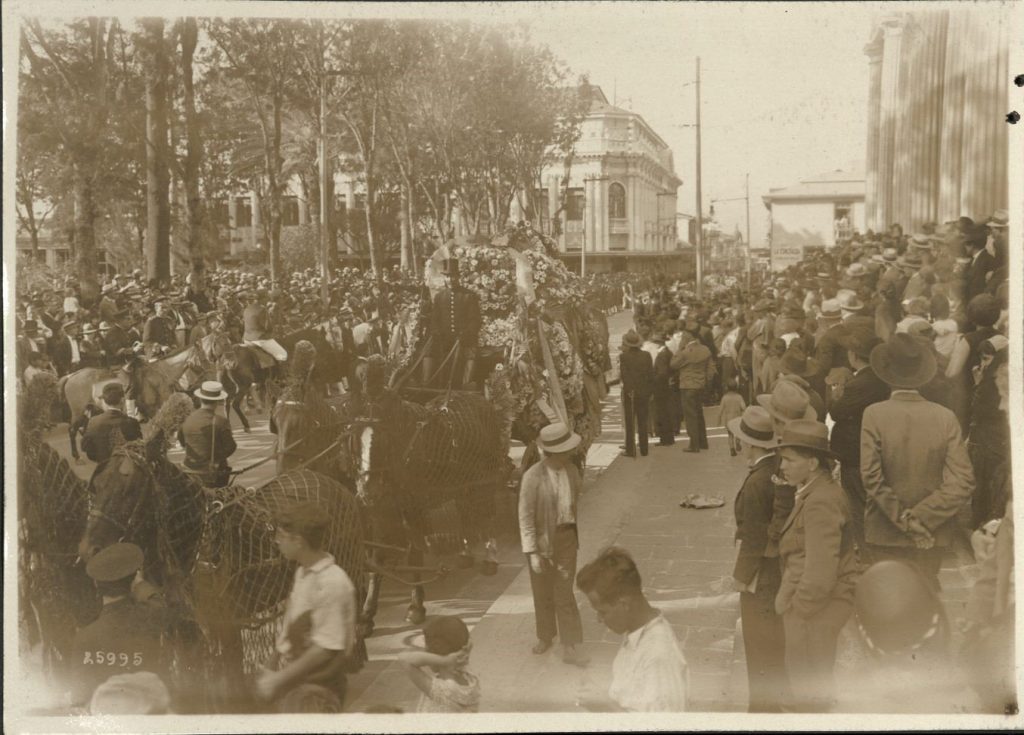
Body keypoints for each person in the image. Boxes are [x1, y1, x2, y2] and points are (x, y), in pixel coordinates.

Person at [861, 334, 975, 583]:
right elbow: (962, 482)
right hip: (932, 533)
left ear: (886, 371)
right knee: (925, 600)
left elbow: (872, 478)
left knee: (888, 604)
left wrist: (905, 520)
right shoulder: (945, 417)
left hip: (885, 531)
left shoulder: (873, 415)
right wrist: (921, 517)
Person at [774, 419, 859, 712]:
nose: (782, 466)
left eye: (788, 460)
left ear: (811, 463)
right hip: (814, 608)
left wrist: (798, 610)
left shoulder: (820, 500)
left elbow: (821, 571)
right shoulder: (816, 491)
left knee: (808, 699)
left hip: (815, 611)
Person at [256, 501, 359, 710]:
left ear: (298, 541)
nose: (277, 542)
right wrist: (273, 662)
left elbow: (325, 648)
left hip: (319, 690)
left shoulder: (332, 583)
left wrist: (278, 679)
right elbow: (290, 623)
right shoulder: (303, 572)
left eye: (280, 537)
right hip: (296, 681)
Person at [727, 406, 789, 712]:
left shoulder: (755, 483)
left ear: (752, 445)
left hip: (760, 576)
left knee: (758, 644)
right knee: (775, 642)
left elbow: (753, 538)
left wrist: (740, 576)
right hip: (778, 571)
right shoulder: (776, 467)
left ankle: (762, 710)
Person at [575, 546, 688, 712]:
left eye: (602, 612)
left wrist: (605, 706)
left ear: (624, 604)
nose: (599, 620)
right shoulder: (638, 631)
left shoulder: (658, 657)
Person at [517, 422, 588, 666]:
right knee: (542, 590)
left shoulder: (572, 471)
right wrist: (533, 552)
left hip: (567, 538)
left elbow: (577, 497)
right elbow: (525, 517)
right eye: (566, 451)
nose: (571, 453)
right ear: (553, 452)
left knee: (564, 591)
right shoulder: (532, 477)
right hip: (540, 542)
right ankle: (545, 636)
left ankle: (569, 643)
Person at [67, 543, 168, 708]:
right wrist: (141, 585)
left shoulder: (84, 638)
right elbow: (159, 606)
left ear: (96, 585)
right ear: (132, 584)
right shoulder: (149, 621)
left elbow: (78, 701)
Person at [827, 321, 889, 550]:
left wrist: (835, 393)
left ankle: (866, 549)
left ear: (853, 355)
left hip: (856, 450)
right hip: (871, 446)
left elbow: (836, 411)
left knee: (858, 501)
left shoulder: (859, 384)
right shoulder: (879, 377)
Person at [398, 616, 480, 713]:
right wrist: (459, 653)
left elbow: (404, 659)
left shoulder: (441, 690)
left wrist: (444, 660)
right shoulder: (469, 677)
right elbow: (468, 642)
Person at [422, 258, 482, 389]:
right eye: (448, 277)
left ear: (458, 277)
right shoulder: (440, 297)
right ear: (444, 278)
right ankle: (426, 384)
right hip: (444, 339)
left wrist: (466, 334)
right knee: (429, 349)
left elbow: (475, 320)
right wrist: (436, 332)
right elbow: (435, 320)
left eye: (453, 276)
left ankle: (466, 385)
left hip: (464, 339)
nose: (450, 280)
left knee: (471, 352)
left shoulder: (469, 296)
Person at [177, 381, 237, 488]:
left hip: (189, 470)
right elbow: (231, 447)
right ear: (217, 401)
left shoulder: (185, 418)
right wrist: (215, 457)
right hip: (212, 474)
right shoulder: (220, 421)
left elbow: (182, 441)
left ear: (200, 399)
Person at [81, 383, 142, 466]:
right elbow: (140, 449)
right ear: (122, 401)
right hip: (128, 469)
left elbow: (86, 449)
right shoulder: (131, 422)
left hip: (104, 468)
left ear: (104, 401)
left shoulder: (93, 421)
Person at [671, 329, 711, 453]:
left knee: (690, 416)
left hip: (687, 386)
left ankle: (694, 444)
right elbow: (710, 368)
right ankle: (703, 441)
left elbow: (673, 364)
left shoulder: (685, 353)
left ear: (686, 339)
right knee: (699, 413)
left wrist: (679, 348)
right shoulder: (705, 350)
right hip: (700, 385)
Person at [619, 330, 654, 458]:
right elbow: (651, 375)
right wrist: (650, 392)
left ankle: (630, 449)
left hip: (631, 393)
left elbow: (625, 376)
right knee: (643, 421)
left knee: (630, 422)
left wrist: (629, 390)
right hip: (644, 392)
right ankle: (644, 449)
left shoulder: (624, 357)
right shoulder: (646, 355)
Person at [242, 289, 288, 363]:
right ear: (263, 298)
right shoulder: (262, 309)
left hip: (246, 339)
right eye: (267, 297)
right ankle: (281, 374)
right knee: (283, 355)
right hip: (259, 339)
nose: (268, 299)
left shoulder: (247, 308)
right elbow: (267, 327)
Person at [652, 332, 677, 447]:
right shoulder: (667, 352)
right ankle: (668, 438)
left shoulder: (662, 355)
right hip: (666, 386)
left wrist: (653, 380)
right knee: (666, 412)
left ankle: (665, 439)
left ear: (658, 343)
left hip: (661, 387)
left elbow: (662, 373)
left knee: (662, 413)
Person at [718, 380, 746, 456]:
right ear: (736, 387)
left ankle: (732, 449)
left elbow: (720, 410)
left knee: (730, 435)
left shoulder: (724, 398)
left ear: (727, 388)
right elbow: (743, 407)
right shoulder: (739, 397)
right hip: (737, 419)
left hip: (728, 420)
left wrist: (719, 419)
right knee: (738, 433)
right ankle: (737, 442)